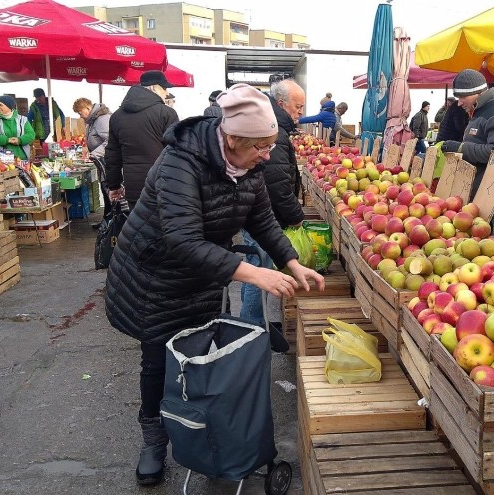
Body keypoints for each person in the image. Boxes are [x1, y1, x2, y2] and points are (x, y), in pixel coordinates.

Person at [104, 83, 325, 486]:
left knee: (202, 355)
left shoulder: (251, 166)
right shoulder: (179, 163)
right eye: (261, 146)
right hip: (154, 279)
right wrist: (255, 275)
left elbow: (263, 220)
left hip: (203, 277)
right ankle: (154, 440)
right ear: (233, 139)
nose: (268, 154)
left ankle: (201, 430)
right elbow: (182, 240)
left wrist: (291, 262)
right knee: (158, 360)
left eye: (272, 144)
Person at [240, 79, 307, 326]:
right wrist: (295, 215)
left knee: (258, 267)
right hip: (262, 214)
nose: (300, 113)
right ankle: (251, 327)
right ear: (281, 104)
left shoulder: (275, 127)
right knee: (259, 271)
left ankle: (254, 323)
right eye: (298, 107)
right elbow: (277, 184)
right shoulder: (274, 132)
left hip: (257, 212)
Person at [104, 70, 179, 210]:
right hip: (163, 185)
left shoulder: (117, 116)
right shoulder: (166, 113)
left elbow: (112, 155)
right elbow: (176, 152)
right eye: (164, 88)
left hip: (134, 189)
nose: (166, 92)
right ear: (154, 87)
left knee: (138, 229)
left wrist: (114, 185)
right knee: (166, 229)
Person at [440, 69, 494, 198]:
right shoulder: (479, 110)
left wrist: (461, 148)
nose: (459, 103)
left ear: (478, 92)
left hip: (487, 193)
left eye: (463, 97)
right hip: (473, 187)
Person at [73, 97, 112, 218]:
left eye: (80, 113)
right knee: (105, 190)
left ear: (88, 108)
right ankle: (107, 219)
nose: (80, 116)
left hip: (107, 160)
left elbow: (110, 140)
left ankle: (110, 220)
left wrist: (95, 153)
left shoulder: (102, 120)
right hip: (101, 160)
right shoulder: (93, 120)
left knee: (109, 190)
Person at [0, 95, 35, 160]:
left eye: (1, 105)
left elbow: (31, 134)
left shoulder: (22, 119)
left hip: (21, 158)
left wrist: (19, 140)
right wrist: (7, 140)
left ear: (9, 106)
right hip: (0, 160)